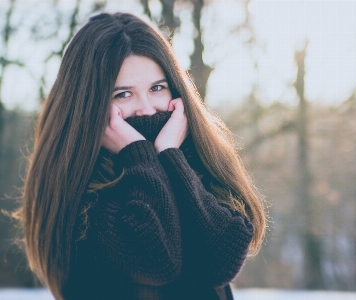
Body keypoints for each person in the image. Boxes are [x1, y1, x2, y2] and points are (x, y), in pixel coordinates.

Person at [18, 12, 266, 300]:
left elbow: (221, 261)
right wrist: (138, 155)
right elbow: (156, 261)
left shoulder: (194, 158)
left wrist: (171, 156)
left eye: (157, 88)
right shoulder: (82, 190)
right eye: (123, 94)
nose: (147, 109)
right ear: (90, 104)